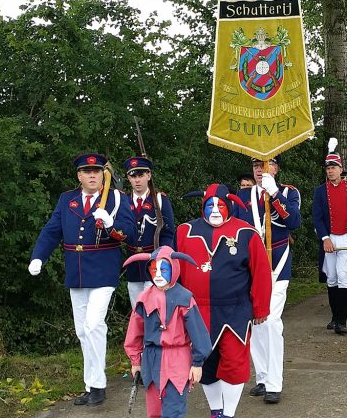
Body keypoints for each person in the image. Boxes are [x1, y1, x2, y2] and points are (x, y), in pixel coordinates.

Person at [28, 153, 137, 407]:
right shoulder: (68, 199)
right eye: (87, 172)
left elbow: (129, 232)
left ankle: (98, 386)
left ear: (102, 174)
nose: (92, 175)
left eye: (96, 171)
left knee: (93, 325)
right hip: (76, 273)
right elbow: (53, 229)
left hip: (103, 271)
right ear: (79, 176)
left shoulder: (116, 198)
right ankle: (90, 385)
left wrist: (111, 224)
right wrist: (39, 256)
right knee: (82, 332)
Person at [176, 184, 272, 418]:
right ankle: (216, 411)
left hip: (235, 312)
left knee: (234, 363)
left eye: (220, 205)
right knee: (205, 364)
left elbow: (260, 272)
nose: (215, 210)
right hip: (197, 311)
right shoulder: (184, 231)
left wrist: (260, 307)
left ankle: (229, 414)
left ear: (229, 205)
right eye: (210, 205)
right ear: (202, 206)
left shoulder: (246, 232)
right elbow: (174, 271)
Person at [234, 156, 301, 404]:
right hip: (251, 268)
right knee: (256, 321)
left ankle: (275, 382)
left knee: (271, 321)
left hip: (277, 266)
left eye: (267, 164)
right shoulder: (242, 197)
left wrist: (274, 193)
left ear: (277, 168)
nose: (260, 170)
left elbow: (293, 221)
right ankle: (262, 376)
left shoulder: (288, 192)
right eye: (256, 165)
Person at [123, 246, 212, 418]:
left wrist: (197, 363)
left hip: (177, 359)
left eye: (163, 270)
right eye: (154, 269)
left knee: (174, 411)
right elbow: (134, 332)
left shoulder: (185, 298)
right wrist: (135, 360)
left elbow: (199, 333)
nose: (157, 275)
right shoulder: (144, 299)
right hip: (151, 359)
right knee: (154, 412)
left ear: (174, 268)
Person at [313, 138, 347, 335]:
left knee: (343, 277)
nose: (330, 171)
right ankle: (335, 317)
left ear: (341, 169)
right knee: (331, 277)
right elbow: (317, 217)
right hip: (329, 237)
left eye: (334, 167)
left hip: (345, 238)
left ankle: (342, 320)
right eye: (328, 168)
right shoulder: (319, 191)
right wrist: (324, 238)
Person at [123, 156, 176, 308]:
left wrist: (163, 257)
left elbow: (168, 231)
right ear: (128, 178)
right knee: (137, 310)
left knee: (153, 308)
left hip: (154, 263)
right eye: (133, 176)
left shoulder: (159, 200)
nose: (137, 180)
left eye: (141, 175)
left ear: (149, 175)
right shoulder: (123, 200)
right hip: (133, 265)